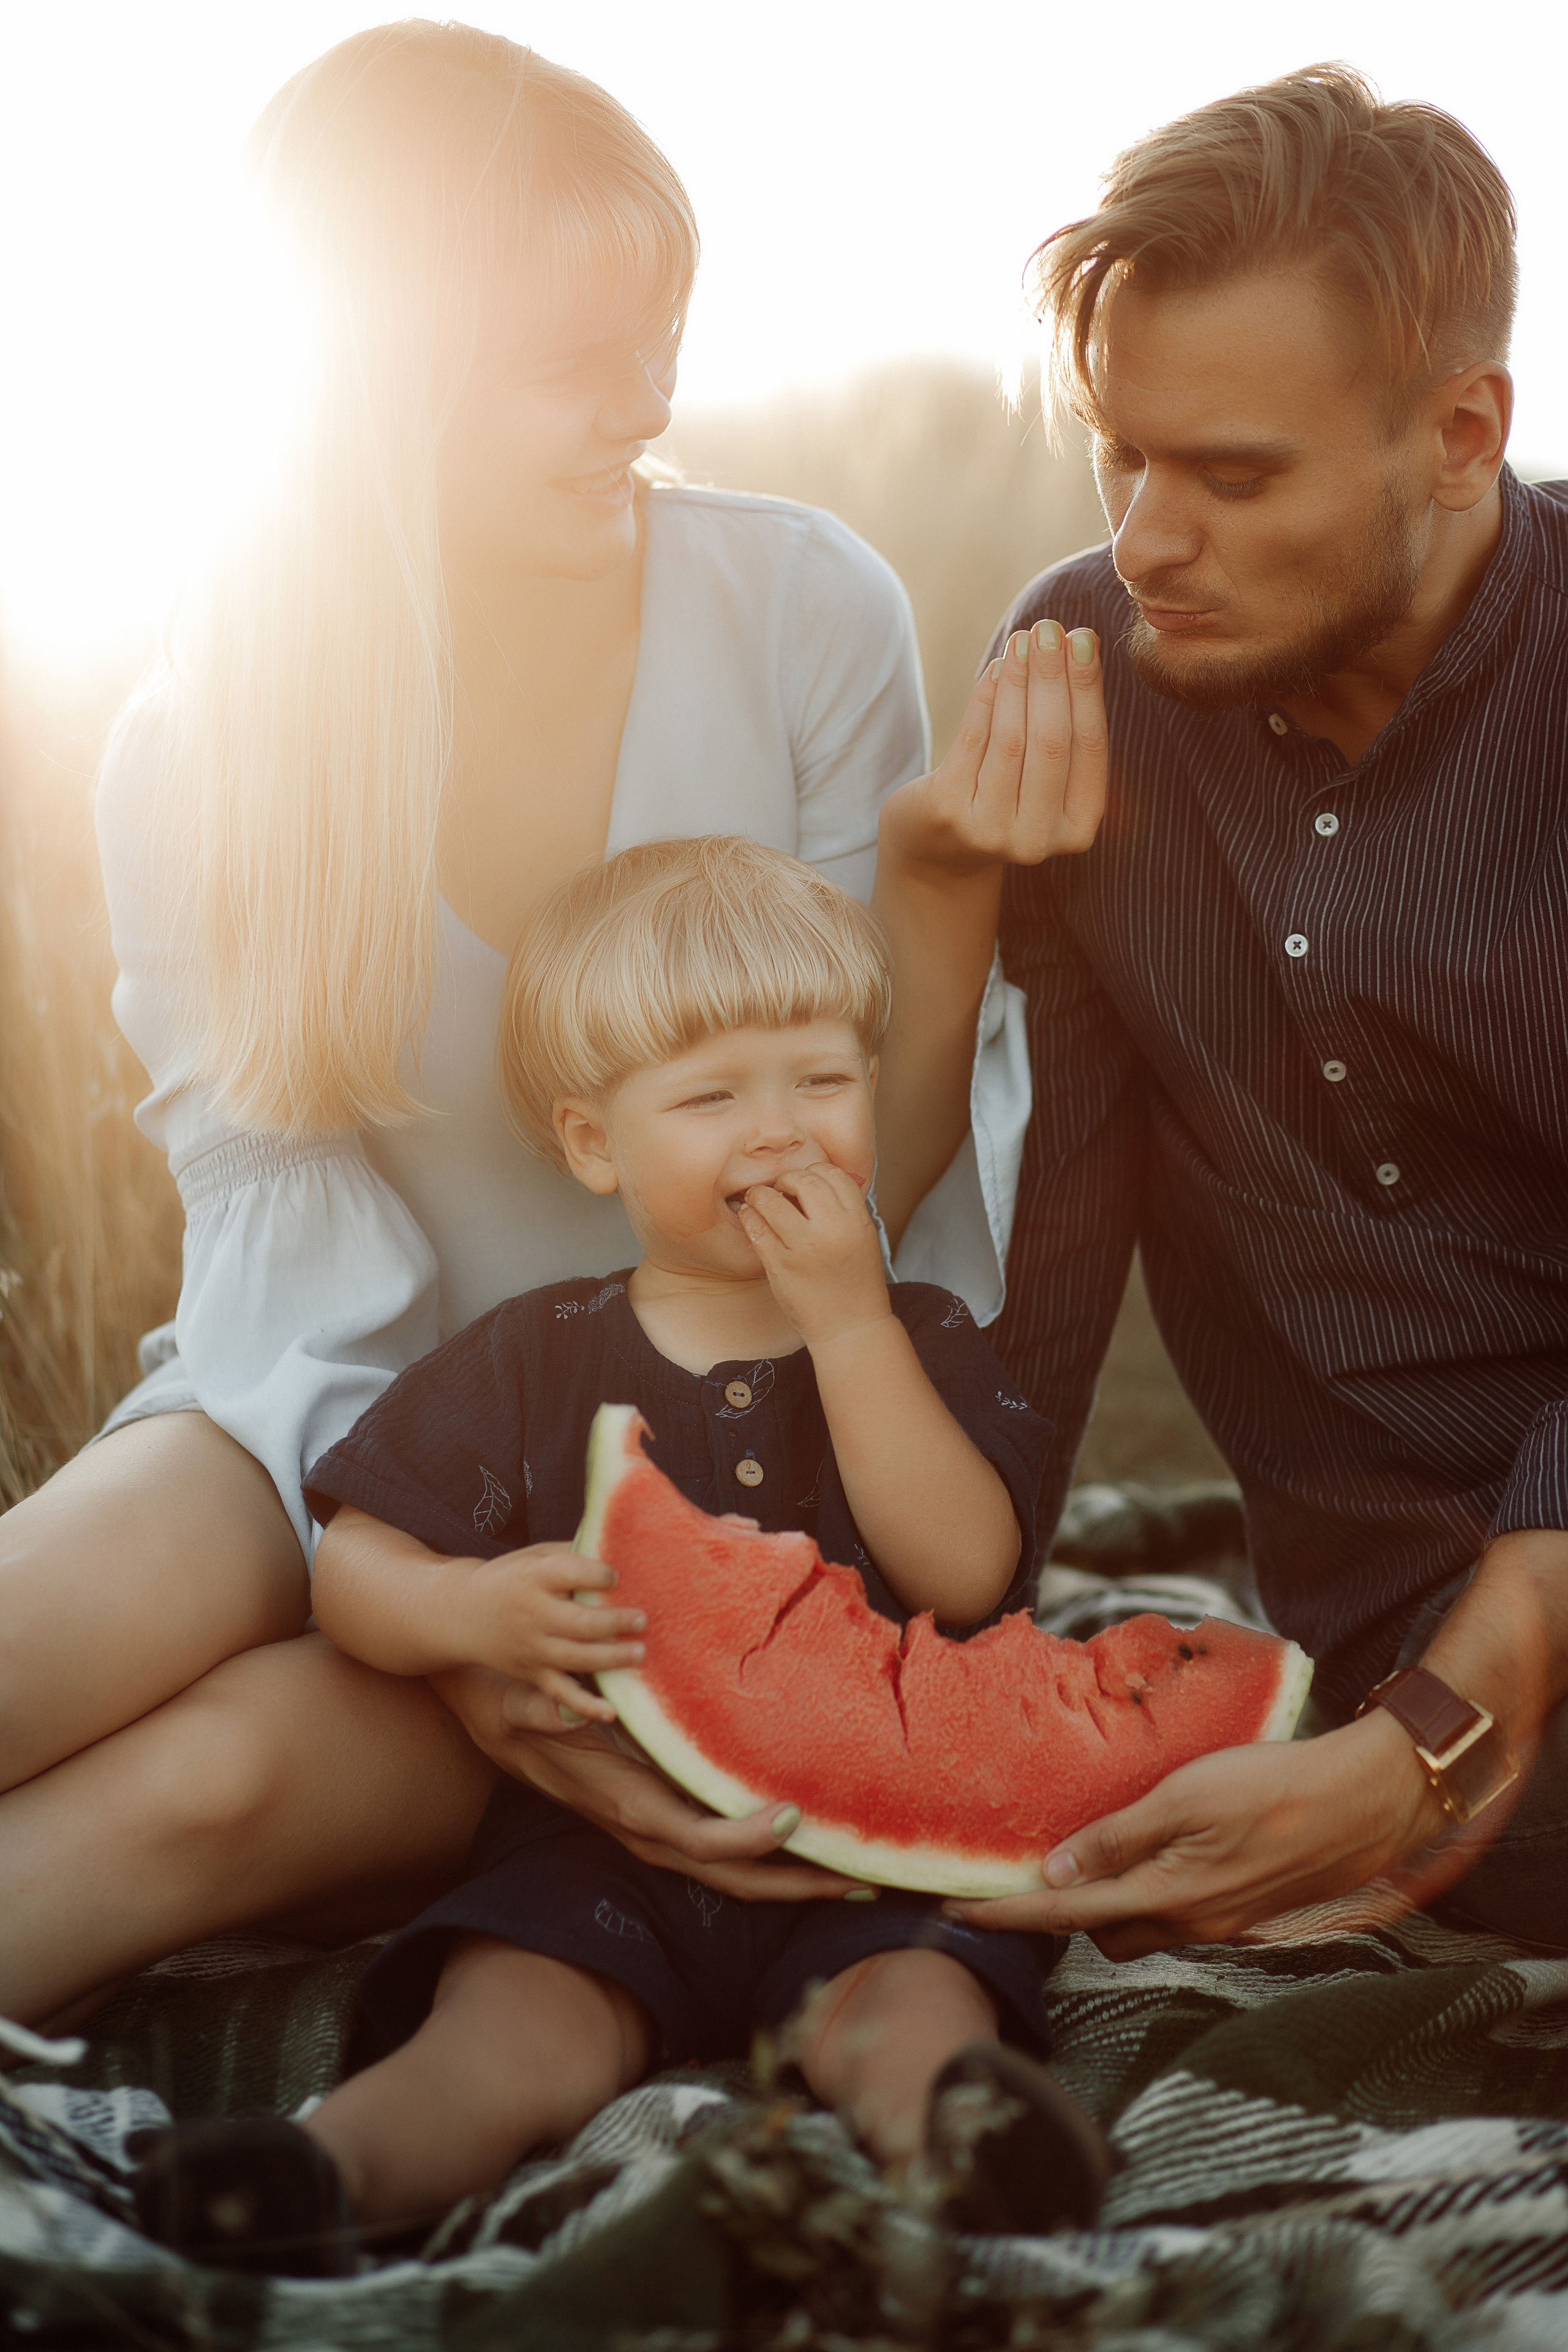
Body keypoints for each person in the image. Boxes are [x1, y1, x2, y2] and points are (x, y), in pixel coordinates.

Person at [0, 22, 1108, 2027]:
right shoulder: (203, 750)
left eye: (660, 335)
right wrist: (412, 1593)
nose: (646, 402)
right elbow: (275, 1268)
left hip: (721, 1457)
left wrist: (943, 898)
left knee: (218, 1776)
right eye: (570, 363)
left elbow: (868, 1169)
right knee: (40, 1631)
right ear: (373, 392)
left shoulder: (800, 615)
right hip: (341, 1415)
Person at [129, 839, 1110, 2272]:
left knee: (911, 2003)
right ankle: (323, 2170)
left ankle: (959, 2142)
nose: (778, 1132)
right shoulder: (534, 1356)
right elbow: (353, 1567)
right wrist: (463, 1607)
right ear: (595, 1145)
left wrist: (851, 1326)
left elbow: (962, 1576)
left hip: (871, 1857)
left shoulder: (923, 1342)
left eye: (822, 1082)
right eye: (711, 1095)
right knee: (504, 2030)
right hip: (590, 1850)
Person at [941, 65, 1568, 1960]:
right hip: (1389, 1628)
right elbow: (1038, 1275)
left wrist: (1436, 1743)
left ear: (1462, 433)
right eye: (1121, 455)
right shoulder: (1083, 677)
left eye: (1234, 474)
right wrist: (901, 1683)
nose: (1145, 541)